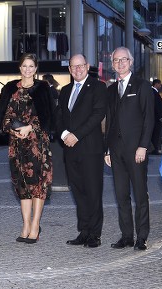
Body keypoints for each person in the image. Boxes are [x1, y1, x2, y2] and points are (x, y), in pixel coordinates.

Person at [2, 53, 55, 244]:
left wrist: (30, 128)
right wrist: (13, 130)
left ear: (36, 69)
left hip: (37, 144)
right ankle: (25, 225)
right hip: (16, 145)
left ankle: (35, 226)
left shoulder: (42, 89)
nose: (27, 70)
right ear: (19, 68)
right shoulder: (10, 89)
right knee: (22, 186)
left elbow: (49, 117)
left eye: (31, 66)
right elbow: (4, 117)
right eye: (24, 66)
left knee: (37, 186)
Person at [105, 47, 154, 251]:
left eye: (124, 59)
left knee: (140, 195)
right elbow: (109, 122)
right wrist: (107, 149)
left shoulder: (142, 86)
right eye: (116, 60)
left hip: (136, 151)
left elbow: (149, 119)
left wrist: (143, 146)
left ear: (131, 61)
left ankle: (142, 236)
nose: (120, 63)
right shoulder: (110, 90)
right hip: (115, 151)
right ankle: (127, 235)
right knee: (121, 195)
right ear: (112, 63)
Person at [55, 54, 107, 248]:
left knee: (93, 192)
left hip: (90, 148)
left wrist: (76, 135)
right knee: (78, 192)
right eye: (73, 67)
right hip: (70, 149)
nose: (77, 69)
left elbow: (97, 114)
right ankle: (84, 231)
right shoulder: (66, 90)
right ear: (69, 69)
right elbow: (59, 115)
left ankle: (95, 234)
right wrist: (63, 134)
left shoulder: (98, 87)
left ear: (87, 66)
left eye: (80, 66)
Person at [151, 79, 162, 155]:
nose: (160, 85)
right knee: (156, 134)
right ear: (156, 84)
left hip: (154, 117)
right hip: (156, 118)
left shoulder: (153, 92)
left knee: (155, 134)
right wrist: (160, 116)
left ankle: (155, 148)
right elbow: (156, 106)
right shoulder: (154, 92)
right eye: (159, 84)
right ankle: (155, 149)